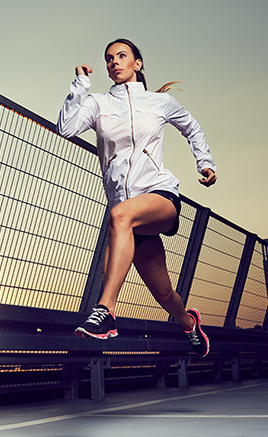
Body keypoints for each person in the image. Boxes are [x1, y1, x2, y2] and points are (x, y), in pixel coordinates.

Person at [57, 38, 216, 357]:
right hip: (126, 219)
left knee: (119, 217)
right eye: (108, 59)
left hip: (159, 196)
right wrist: (80, 84)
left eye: (121, 56)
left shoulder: (159, 103)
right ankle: (189, 323)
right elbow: (66, 128)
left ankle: (106, 313)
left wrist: (206, 162)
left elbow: (192, 128)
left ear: (137, 64)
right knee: (164, 292)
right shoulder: (98, 103)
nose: (114, 62)